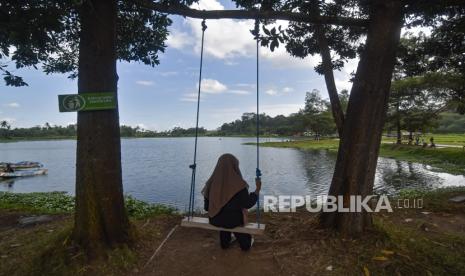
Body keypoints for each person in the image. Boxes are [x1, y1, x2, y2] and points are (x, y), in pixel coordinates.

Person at [202, 153, 261, 251]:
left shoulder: (211, 183)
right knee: (234, 218)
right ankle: (245, 244)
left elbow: (207, 208)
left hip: (215, 220)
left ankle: (225, 243)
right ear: (235, 166)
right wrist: (257, 190)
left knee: (223, 215)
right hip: (233, 221)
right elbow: (248, 204)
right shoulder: (239, 185)